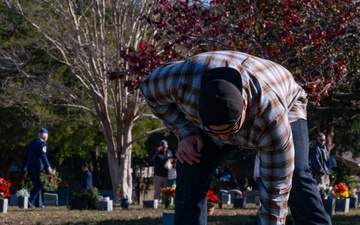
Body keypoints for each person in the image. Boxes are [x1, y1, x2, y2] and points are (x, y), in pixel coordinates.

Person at [140, 51, 331, 225]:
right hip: (213, 97)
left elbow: (276, 193)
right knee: (190, 162)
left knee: (296, 174)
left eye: (230, 130)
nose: (224, 138)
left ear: (245, 105)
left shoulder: (271, 118)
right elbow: (148, 90)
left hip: (287, 99)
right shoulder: (181, 82)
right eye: (217, 131)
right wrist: (184, 131)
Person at [21, 128, 53, 208]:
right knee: (39, 184)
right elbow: (43, 156)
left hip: (30, 168)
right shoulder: (42, 144)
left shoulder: (31, 143)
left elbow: (25, 156)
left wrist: (23, 168)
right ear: (45, 137)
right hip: (38, 168)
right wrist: (48, 167)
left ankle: (39, 204)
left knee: (36, 184)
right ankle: (29, 201)